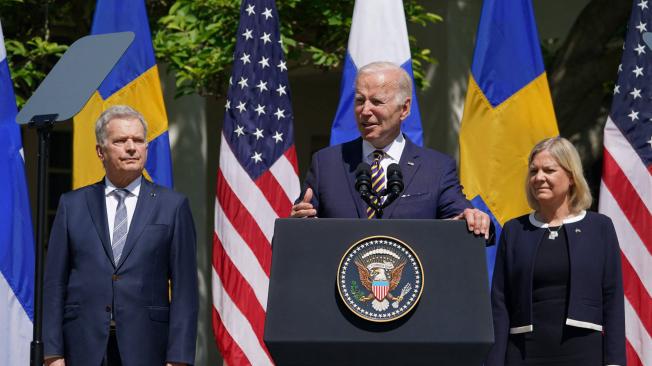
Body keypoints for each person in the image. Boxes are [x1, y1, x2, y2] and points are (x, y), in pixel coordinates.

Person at [43, 105, 198, 366]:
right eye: (120, 141)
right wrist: (53, 353)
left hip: (148, 347)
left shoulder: (173, 206)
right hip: (83, 345)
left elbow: (185, 290)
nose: (131, 147)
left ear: (147, 148)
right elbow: (54, 283)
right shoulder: (73, 205)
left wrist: (179, 358)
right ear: (100, 151)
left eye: (138, 140)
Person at [291, 61, 490, 238]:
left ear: (404, 109)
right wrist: (297, 224)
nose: (365, 111)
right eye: (360, 100)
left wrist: (471, 219)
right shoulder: (326, 163)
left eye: (376, 101)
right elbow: (298, 234)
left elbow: (462, 222)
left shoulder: (436, 168)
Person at [486, 137, 625, 366]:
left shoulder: (600, 228)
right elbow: (500, 303)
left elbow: (613, 299)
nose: (539, 177)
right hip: (523, 354)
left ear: (571, 176)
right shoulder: (514, 230)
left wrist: (615, 362)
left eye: (549, 170)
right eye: (534, 171)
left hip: (583, 353)